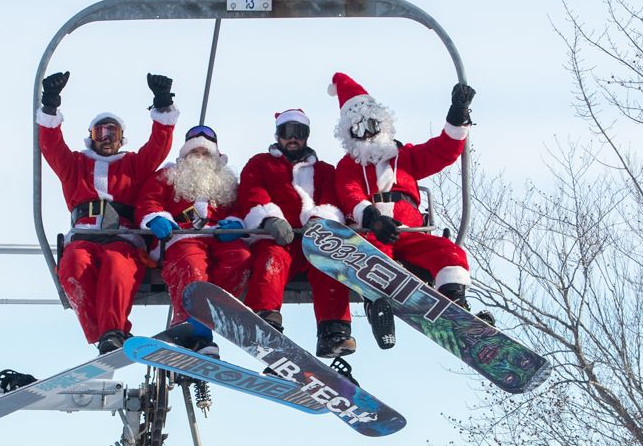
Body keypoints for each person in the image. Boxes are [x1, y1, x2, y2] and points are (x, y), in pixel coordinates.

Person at [328, 69, 480, 344]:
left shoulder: (405, 158)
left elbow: (441, 151)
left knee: (448, 252)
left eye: (371, 127)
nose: (366, 136)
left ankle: (456, 303)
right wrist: (372, 218)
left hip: (411, 231)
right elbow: (349, 193)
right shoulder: (349, 166)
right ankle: (379, 307)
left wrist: (457, 115)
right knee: (374, 256)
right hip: (374, 233)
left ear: (382, 126)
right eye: (358, 130)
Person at [36, 69, 180, 350]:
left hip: (122, 238)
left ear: (121, 138)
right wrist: (50, 104)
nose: (105, 137)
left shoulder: (133, 165)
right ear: (90, 136)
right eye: (99, 131)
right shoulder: (75, 165)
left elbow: (158, 147)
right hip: (84, 236)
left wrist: (162, 105)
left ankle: (113, 331)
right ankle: (102, 335)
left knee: (118, 267)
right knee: (73, 266)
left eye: (112, 132)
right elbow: (51, 146)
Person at [228, 110, 356, 358]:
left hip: (311, 238)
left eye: (300, 133)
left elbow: (332, 199)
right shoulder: (261, 164)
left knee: (327, 263)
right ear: (278, 135)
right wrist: (269, 217)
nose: (293, 139)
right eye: (287, 133)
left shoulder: (325, 170)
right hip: (277, 237)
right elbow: (252, 192)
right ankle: (265, 320)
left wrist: (320, 221)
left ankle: (334, 330)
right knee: (271, 260)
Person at [136, 125, 237, 350]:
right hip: (182, 235)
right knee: (192, 265)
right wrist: (156, 218)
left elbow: (240, 208)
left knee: (240, 257)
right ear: (184, 156)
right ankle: (195, 329)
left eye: (205, 154)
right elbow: (149, 200)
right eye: (194, 153)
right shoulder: (168, 176)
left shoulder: (227, 183)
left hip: (217, 236)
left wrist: (237, 223)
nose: (200, 159)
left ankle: (226, 313)